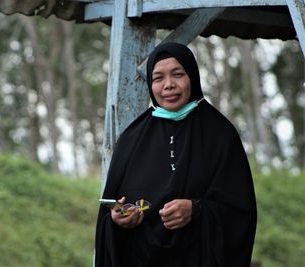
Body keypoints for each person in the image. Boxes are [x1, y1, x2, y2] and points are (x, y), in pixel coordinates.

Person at [95, 42, 257, 267]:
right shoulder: (131, 139)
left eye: (178, 74)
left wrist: (196, 210)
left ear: (193, 77)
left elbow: (240, 214)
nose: (168, 85)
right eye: (158, 78)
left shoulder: (220, 135)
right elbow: (108, 218)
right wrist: (118, 221)